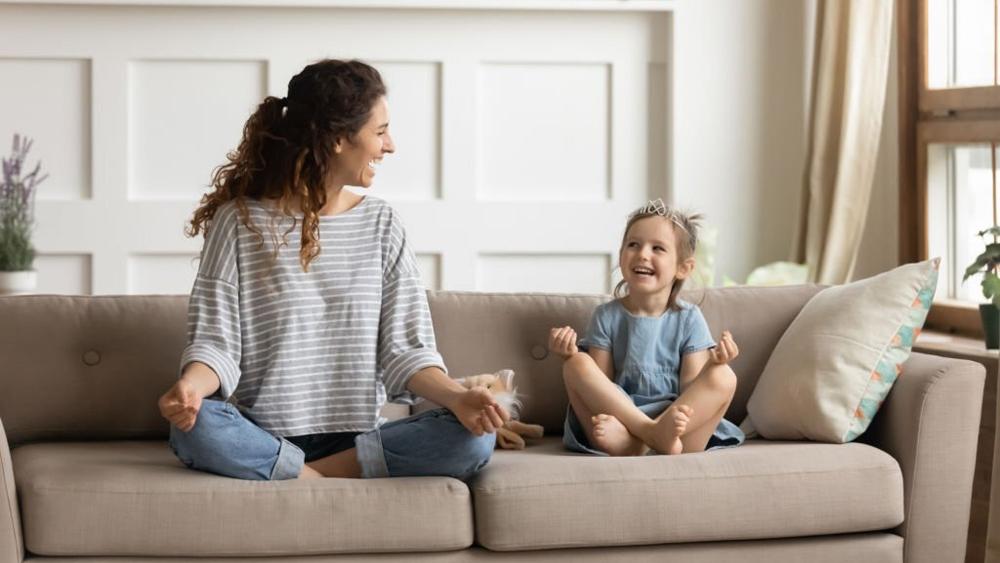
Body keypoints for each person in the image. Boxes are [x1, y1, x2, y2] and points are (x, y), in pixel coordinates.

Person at [158, 59, 508, 481]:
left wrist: (458, 398)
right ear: (339, 139)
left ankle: (299, 476)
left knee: (473, 438)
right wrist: (191, 390)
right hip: (263, 433)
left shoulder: (382, 224)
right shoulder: (238, 223)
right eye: (380, 132)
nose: (390, 145)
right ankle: (320, 475)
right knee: (194, 431)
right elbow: (217, 345)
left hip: (357, 438)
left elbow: (407, 353)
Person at [548, 199, 744, 456]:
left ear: (683, 268)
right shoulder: (607, 316)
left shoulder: (689, 318)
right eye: (633, 245)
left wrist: (713, 365)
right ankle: (646, 435)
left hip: (676, 430)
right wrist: (566, 353)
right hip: (620, 420)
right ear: (621, 255)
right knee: (576, 364)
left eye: (658, 248)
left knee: (724, 376)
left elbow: (691, 389)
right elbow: (602, 386)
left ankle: (641, 443)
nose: (642, 254)